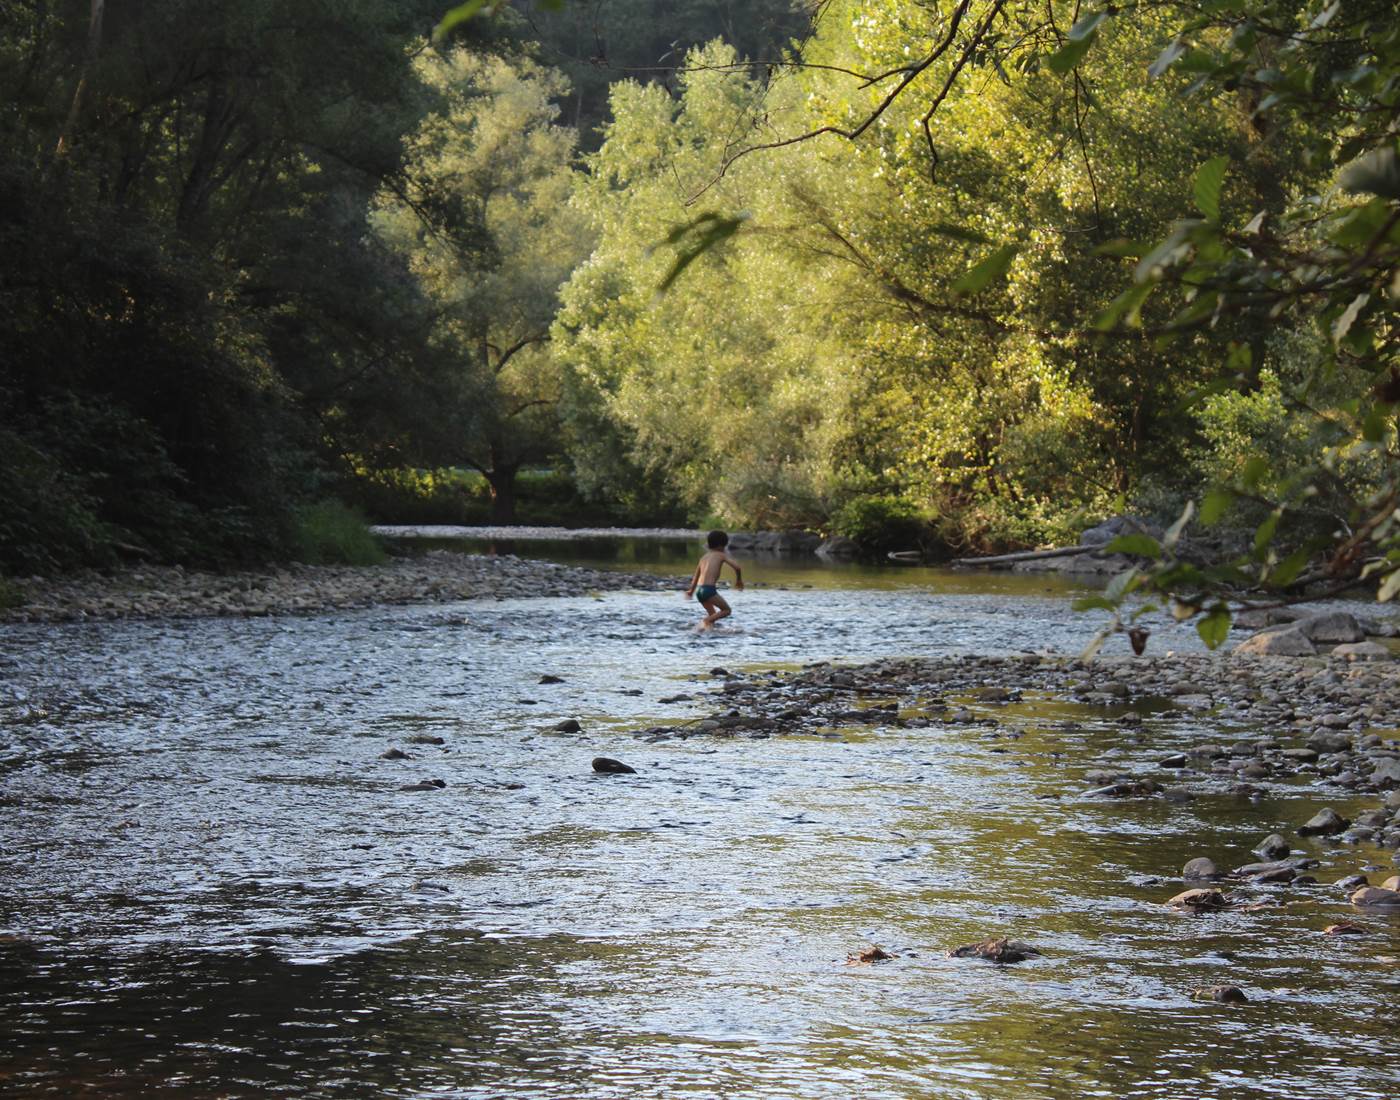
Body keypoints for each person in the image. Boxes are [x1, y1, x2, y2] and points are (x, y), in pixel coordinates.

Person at [684, 530, 744, 630]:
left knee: (712, 615)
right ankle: (705, 621)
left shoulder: (703, 558)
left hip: (699, 591)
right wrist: (739, 580)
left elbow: (696, 576)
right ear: (721, 545)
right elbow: (737, 568)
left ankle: (705, 631)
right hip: (708, 590)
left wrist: (691, 591)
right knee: (726, 610)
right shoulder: (721, 555)